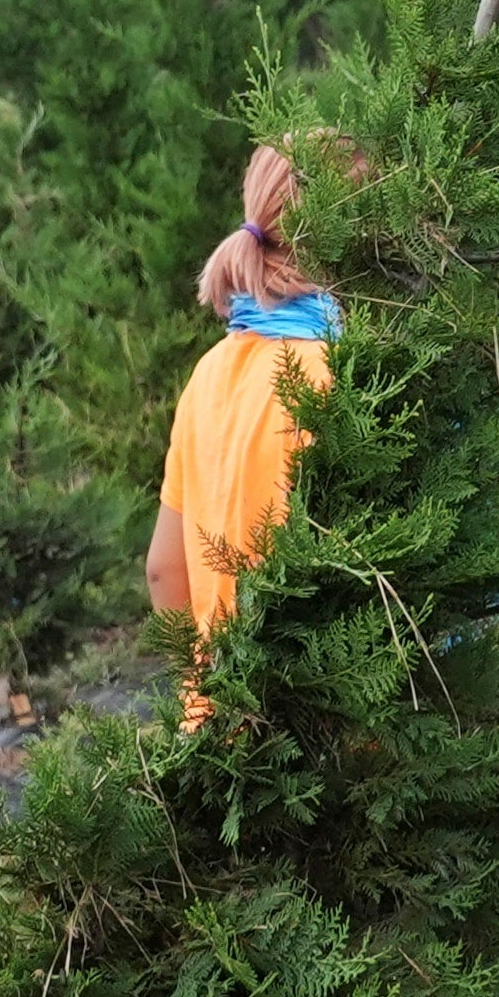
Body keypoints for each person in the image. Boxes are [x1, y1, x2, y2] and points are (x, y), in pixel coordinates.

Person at [145, 140, 339, 721]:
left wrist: (203, 690)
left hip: (219, 728)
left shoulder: (208, 372)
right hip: (326, 740)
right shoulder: (343, 375)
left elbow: (162, 568)